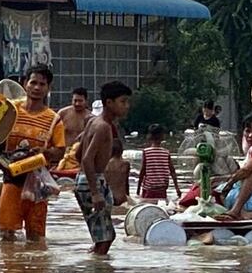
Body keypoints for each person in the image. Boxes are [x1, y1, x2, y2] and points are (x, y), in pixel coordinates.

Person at [0, 64, 66, 243]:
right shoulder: (10, 111)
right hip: (12, 179)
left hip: (38, 183)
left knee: (36, 237)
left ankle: (35, 270)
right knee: (6, 235)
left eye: (42, 84)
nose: (37, 88)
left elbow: (60, 151)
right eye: (33, 82)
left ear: (48, 89)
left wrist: (45, 152)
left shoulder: (54, 119)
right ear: (24, 83)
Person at [74, 81, 132, 255]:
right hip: (92, 182)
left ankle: (95, 270)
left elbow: (78, 154)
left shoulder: (92, 121)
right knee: (105, 238)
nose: (126, 106)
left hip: (89, 180)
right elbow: (86, 159)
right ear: (109, 102)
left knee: (105, 236)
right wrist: (95, 192)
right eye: (123, 101)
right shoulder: (103, 127)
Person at [137, 124, 182, 202]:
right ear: (162, 136)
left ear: (150, 136)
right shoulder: (166, 152)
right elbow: (172, 171)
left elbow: (142, 171)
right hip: (162, 189)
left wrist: (138, 189)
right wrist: (177, 188)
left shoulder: (146, 152)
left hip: (149, 189)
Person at [104, 139, 131, 206]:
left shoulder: (105, 164)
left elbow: (104, 184)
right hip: (121, 197)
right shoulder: (126, 164)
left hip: (109, 197)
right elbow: (126, 184)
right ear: (122, 151)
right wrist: (128, 197)